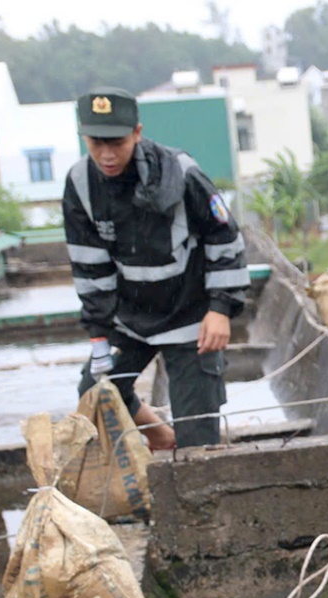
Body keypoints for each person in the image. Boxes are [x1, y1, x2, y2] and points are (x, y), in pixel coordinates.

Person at [63, 87, 248, 450]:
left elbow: (224, 237)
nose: (106, 154)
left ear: (137, 133)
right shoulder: (81, 183)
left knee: (198, 438)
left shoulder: (179, 171)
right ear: (84, 138)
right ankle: (162, 436)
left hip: (191, 316)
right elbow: (89, 264)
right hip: (130, 318)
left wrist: (221, 309)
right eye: (96, 143)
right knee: (94, 392)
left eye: (116, 143)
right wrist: (98, 335)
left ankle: (192, 455)